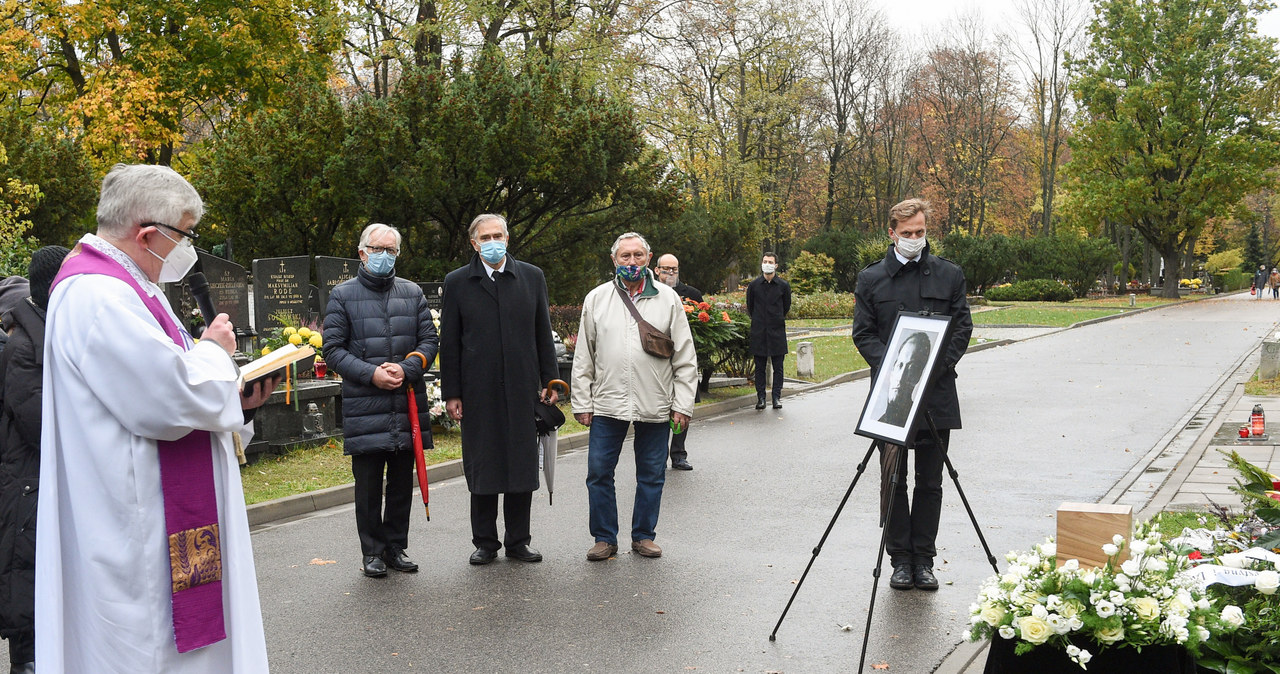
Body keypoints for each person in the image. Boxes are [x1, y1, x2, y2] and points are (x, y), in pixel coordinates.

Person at [36, 164, 278, 671]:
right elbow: (166, 400)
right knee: (151, 652)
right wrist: (214, 351)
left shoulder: (131, 288)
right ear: (146, 234)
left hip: (157, 506)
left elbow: (171, 381)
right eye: (184, 236)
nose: (185, 251)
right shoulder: (98, 295)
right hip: (137, 524)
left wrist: (240, 400)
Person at [852, 198, 972, 593]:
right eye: (907, 234)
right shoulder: (872, 279)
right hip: (892, 399)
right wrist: (890, 369)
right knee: (894, 480)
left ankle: (924, 559)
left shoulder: (948, 274)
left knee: (931, 482)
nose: (914, 239)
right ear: (892, 233)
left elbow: (961, 328)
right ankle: (899, 560)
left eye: (920, 232)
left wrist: (934, 369)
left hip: (936, 395)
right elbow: (863, 333)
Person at [440, 214, 558, 566]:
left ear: (508, 238)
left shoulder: (531, 277)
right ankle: (485, 542)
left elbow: (543, 334)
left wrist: (551, 382)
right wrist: (452, 392)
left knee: (522, 465)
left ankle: (518, 540)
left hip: (524, 388)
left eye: (498, 235)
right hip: (479, 391)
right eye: (485, 237)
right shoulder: (459, 282)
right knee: (484, 464)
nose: (493, 242)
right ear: (474, 244)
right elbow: (451, 344)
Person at [572, 233, 697, 561]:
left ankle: (643, 536)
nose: (631, 262)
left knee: (652, 473)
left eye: (638, 256)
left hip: (655, 401)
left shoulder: (668, 299)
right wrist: (582, 401)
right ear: (614, 259)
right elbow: (585, 354)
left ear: (648, 257)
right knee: (599, 471)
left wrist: (683, 404)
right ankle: (604, 537)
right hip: (607, 402)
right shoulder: (597, 299)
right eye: (625, 256)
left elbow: (684, 356)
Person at [324, 223, 437, 578]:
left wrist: (407, 368)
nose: (384, 256)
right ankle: (371, 551)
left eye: (391, 251)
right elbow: (333, 350)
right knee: (369, 485)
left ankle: (395, 547)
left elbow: (429, 342)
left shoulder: (412, 292)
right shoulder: (343, 295)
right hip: (366, 404)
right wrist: (371, 374)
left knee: (402, 482)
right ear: (362, 253)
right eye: (378, 249)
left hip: (406, 403)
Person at [0, 246, 68, 674]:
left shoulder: (44, 336)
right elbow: (41, 425)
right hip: (28, 484)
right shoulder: (25, 347)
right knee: (28, 584)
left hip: (35, 482)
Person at [654, 253, 701, 471]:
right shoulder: (650, 294)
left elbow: (701, 327)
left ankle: (679, 453)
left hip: (683, 359)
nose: (670, 273)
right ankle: (659, 454)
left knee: (683, 406)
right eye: (666, 269)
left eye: (674, 269)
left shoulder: (692, 295)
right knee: (660, 410)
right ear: (657, 270)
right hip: (657, 361)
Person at [746, 252, 791, 410]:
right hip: (759, 331)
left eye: (770, 262)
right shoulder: (754, 286)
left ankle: (776, 397)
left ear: (776, 265)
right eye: (765, 261)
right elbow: (750, 307)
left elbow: (786, 306)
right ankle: (761, 398)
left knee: (778, 366)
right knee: (759, 367)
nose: (767, 264)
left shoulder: (783, 286)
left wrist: (776, 318)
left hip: (777, 330)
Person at [876, 330, 932, 427]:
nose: (901, 378)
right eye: (900, 365)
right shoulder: (878, 421)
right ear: (892, 369)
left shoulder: (915, 417)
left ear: (918, 375)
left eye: (911, 368)